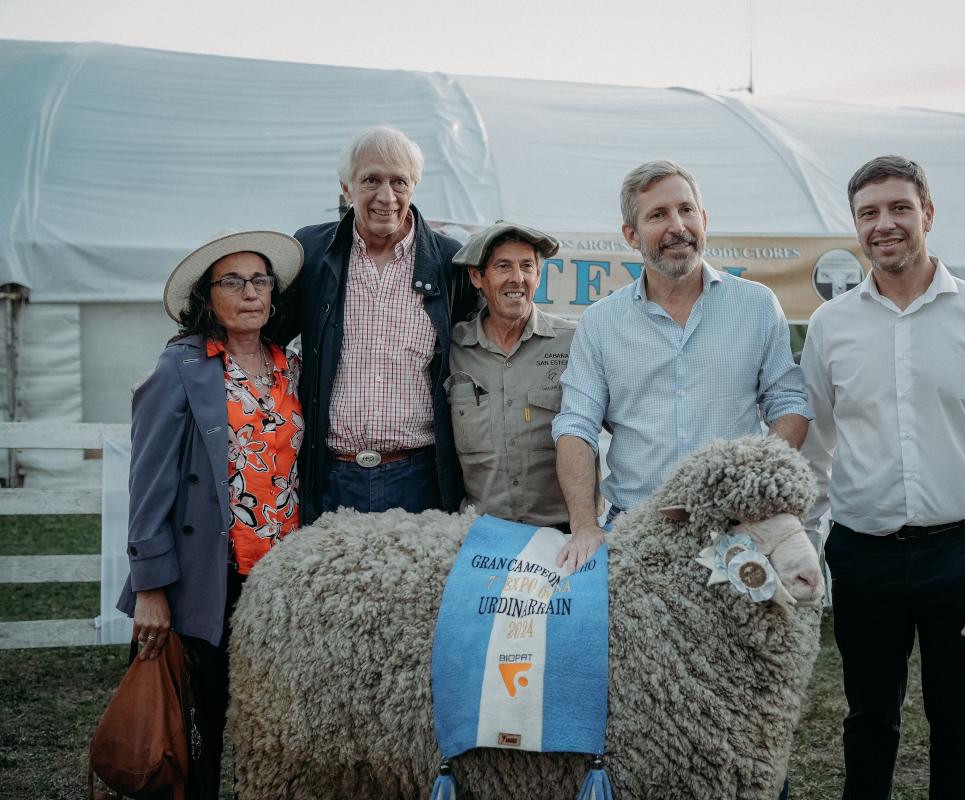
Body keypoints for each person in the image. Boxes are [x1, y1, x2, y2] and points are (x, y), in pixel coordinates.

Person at [800, 155, 965, 800]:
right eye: (868, 213)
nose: (884, 224)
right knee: (867, 720)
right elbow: (815, 451)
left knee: (959, 727)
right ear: (856, 226)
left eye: (899, 208)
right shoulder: (830, 326)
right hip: (862, 557)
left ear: (928, 214)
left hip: (959, 553)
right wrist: (806, 551)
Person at [552, 159, 814, 574]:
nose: (678, 226)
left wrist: (756, 488)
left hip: (737, 533)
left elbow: (788, 403)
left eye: (686, 210)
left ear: (703, 219)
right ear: (631, 235)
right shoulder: (600, 323)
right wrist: (584, 526)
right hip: (637, 532)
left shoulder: (757, 305)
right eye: (658, 215)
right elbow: (576, 427)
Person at [117, 228, 305, 799]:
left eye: (260, 281)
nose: (250, 293)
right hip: (208, 577)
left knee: (270, 727)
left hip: (281, 578)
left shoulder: (292, 367)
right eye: (233, 282)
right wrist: (151, 588)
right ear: (207, 297)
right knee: (198, 732)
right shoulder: (182, 366)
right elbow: (147, 483)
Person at [278, 126, 480, 525]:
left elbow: (481, 349)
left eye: (399, 182)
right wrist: (188, 358)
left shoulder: (449, 261)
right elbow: (259, 338)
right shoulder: (312, 251)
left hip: (420, 477)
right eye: (371, 180)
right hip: (329, 476)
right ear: (346, 188)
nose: (386, 197)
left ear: (414, 186)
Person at [446, 221, 602, 529]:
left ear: (538, 276)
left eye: (527, 266)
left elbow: (627, 423)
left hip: (564, 536)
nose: (517, 278)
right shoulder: (452, 349)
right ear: (477, 276)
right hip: (482, 535)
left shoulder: (576, 342)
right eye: (503, 266)